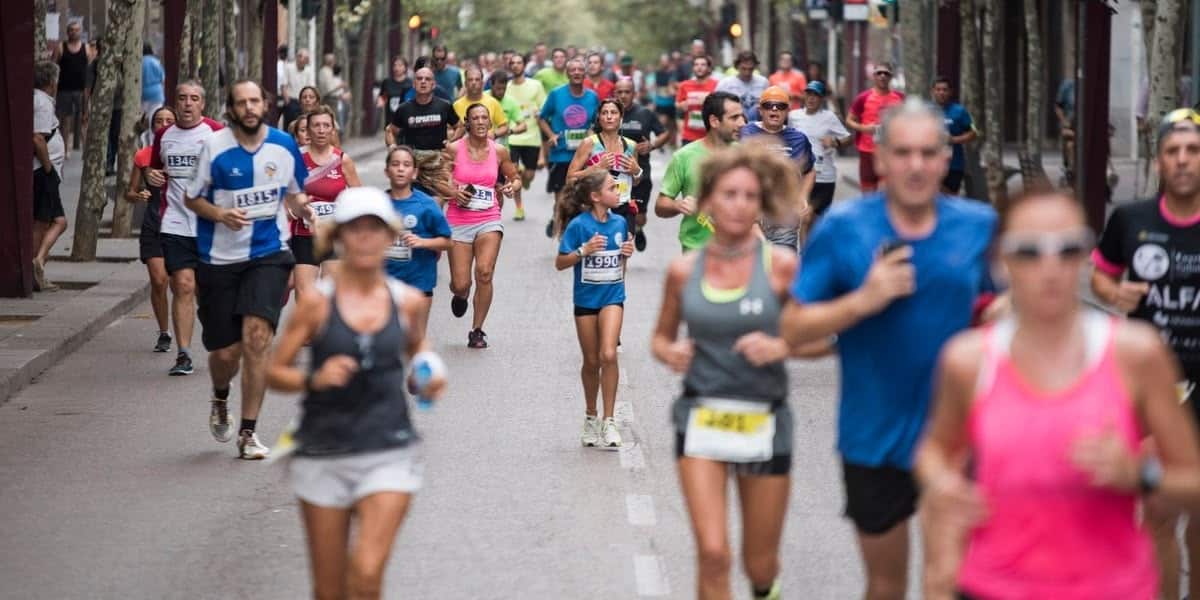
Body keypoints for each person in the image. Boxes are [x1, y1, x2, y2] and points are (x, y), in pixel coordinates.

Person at [917, 188, 1200, 600]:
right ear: (1002, 260)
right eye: (1030, 251)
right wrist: (941, 483)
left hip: (1111, 588)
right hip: (995, 586)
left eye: (1067, 249)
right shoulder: (969, 359)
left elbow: (1192, 481)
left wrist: (1140, 475)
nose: (1050, 267)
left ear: (1085, 256)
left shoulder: (1136, 353)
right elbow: (934, 451)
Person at [781, 99, 998, 600]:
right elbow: (791, 328)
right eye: (903, 153)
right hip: (872, 436)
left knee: (950, 580)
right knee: (886, 584)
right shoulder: (844, 229)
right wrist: (864, 299)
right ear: (879, 157)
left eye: (928, 152)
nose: (916, 165)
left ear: (946, 158)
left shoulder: (979, 227)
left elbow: (1005, 311)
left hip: (963, 435)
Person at [651, 144, 820, 600]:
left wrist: (783, 344)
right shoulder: (683, 271)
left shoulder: (782, 268)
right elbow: (660, 338)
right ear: (707, 201)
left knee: (759, 563)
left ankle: (767, 587)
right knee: (713, 553)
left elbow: (822, 338)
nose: (740, 204)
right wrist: (672, 354)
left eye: (750, 196)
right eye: (729, 194)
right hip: (701, 419)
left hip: (764, 421)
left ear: (761, 205)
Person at [265, 186, 446, 600]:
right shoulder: (314, 304)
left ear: (390, 236)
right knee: (329, 590)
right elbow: (273, 372)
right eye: (355, 229)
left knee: (365, 574)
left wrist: (428, 376)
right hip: (323, 452)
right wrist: (315, 379)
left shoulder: (409, 302)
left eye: (375, 229)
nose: (365, 238)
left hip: (388, 449)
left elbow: (420, 350)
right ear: (339, 237)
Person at [1091, 108, 1200, 600]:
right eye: (1173, 151)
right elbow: (1100, 272)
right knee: (1158, 512)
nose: (1183, 161)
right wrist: (1114, 295)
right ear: (1158, 160)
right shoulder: (1131, 219)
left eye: (1193, 151)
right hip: (1154, 391)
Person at [183, 79, 313, 459]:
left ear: (265, 104)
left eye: (255, 101)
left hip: (268, 253)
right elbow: (191, 199)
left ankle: (248, 432)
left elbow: (295, 191)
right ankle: (221, 396)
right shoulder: (214, 147)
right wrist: (219, 213)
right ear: (232, 109)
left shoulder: (284, 145)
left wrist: (306, 209)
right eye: (242, 102)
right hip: (219, 260)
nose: (250, 108)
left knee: (257, 337)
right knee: (226, 354)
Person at [556, 168, 635, 448]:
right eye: (613, 188)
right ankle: (591, 416)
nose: (618, 192)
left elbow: (621, 265)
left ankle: (609, 421)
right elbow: (560, 262)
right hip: (585, 300)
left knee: (608, 354)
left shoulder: (620, 223)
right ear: (596, 196)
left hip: (612, 296)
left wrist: (626, 255)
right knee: (591, 361)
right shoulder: (579, 226)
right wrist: (583, 251)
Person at [150, 80, 224, 377]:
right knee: (183, 284)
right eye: (182, 98)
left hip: (210, 224)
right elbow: (154, 168)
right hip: (175, 222)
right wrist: (150, 176)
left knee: (209, 291)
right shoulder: (164, 135)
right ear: (175, 102)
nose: (188, 104)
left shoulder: (217, 133)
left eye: (194, 98)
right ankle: (183, 354)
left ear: (202, 104)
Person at [444, 104, 519, 349]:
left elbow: (515, 178)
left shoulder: (499, 151)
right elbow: (439, 181)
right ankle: (460, 293)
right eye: (475, 118)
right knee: (461, 282)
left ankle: (477, 330)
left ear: (490, 122)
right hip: (458, 220)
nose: (480, 122)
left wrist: (511, 187)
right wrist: (454, 192)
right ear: (467, 122)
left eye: (484, 118)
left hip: (489, 218)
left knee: (485, 272)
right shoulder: (454, 149)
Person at [655, 91, 745, 252]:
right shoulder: (684, 157)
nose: (742, 123)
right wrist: (679, 205)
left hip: (737, 252)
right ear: (714, 121)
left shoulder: (744, 155)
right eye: (734, 118)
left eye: (742, 116)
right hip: (696, 251)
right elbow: (661, 205)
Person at [292, 106, 362, 301]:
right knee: (304, 296)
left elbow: (359, 198)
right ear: (308, 129)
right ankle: (308, 331)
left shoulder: (342, 160)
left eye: (326, 125)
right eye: (316, 126)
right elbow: (285, 195)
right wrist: (296, 209)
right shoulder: (296, 157)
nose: (321, 130)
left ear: (332, 129)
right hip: (305, 234)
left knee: (330, 296)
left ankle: (324, 331)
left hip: (334, 236)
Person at [384, 145, 453, 342]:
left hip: (419, 282)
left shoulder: (427, 205)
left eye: (406, 165)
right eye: (395, 164)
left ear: (414, 173)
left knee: (416, 340)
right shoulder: (378, 204)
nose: (400, 169)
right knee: (388, 339)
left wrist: (423, 242)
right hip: (385, 283)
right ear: (387, 171)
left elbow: (448, 242)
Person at [739, 86, 815, 250]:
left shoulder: (799, 139)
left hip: (784, 214)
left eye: (780, 106)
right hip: (749, 212)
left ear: (787, 110)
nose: (774, 109)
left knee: (783, 264)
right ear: (760, 110)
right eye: (768, 105)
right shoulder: (745, 133)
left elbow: (810, 170)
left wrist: (803, 196)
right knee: (753, 267)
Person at [128, 105, 178, 352]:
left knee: (182, 284)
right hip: (153, 224)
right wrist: (140, 194)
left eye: (170, 120)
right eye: (160, 120)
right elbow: (129, 192)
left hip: (181, 226)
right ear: (153, 126)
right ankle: (164, 332)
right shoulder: (144, 156)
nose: (165, 124)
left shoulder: (189, 153)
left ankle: (187, 327)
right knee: (159, 281)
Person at [538, 58, 601, 237]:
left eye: (580, 69)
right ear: (567, 74)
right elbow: (542, 117)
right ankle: (562, 236)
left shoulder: (592, 97)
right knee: (562, 198)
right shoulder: (556, 94)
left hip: (585, 156)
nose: (576, 73)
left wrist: (591, 132)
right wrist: (551, 135)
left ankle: (582, 233)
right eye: (572, 70)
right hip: (561, 155)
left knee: (586, 198)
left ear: (585, 73)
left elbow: (597, 122)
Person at [566, 98, 644, 235]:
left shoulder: (631, 146)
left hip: (623, 206)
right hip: (595, 207)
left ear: (621, 117)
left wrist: (636, 171)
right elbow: (570, 179)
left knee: (624, 251)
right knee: (599, 251)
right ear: (599, 117)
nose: (609, 117)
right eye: (604, 113)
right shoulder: (589, 143)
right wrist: (595, 168)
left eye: (613, 113)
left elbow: (636, 181)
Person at [615, 78, 668, 251]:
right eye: (620, 92)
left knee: (639, 217)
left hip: (641, 173)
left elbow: (664, 134)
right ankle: (621, 247)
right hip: (615, 174)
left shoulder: (645, 113)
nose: (623, 95)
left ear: (634, 94)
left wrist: (652, 145)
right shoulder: (608, 113)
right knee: (618, 215)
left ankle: (638, 229)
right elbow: (594, 134)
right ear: (615, 94)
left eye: (627, 92)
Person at [788, 81, 851, 217]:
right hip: (801, 176)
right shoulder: (793, 116)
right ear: (804, 96)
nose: (811, 98)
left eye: (816, 95)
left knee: (820, 219)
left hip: (824, 177)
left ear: (822, 99)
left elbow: (848, 138)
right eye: (809, 94)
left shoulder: (829, 117)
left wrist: (835, 142)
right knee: (803, 217)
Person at [32, 61, 68, 293]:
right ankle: (36, 263)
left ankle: (38, 265)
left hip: (43, 170)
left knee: (51, 221)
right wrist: (48, 169)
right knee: (50, 221)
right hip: (43, 171)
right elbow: (37, 138)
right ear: (52, 81)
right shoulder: (43, 103)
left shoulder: (37, 98)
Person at [847, 63, 905, 193]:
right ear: (874, 76)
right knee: (868, 191)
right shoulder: (863, 98)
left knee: (889, 192)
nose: (882, 76)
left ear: (891, 77)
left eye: (886, 73)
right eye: (879, 73)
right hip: (867, 150)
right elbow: (849, 120)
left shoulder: (900, 98)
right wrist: (864, 128)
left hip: (891, 151)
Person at [505, 53, 548, 214]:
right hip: (513, 137)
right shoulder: (506, 87)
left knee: (529, 175)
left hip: (532, 137)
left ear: (524, 65)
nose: (515, 65)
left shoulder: (535, 85)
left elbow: (544, 108)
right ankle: (519, 208)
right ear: (509, 66)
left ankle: (526, 180)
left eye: (518, 63)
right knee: (515, 173)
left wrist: (540, 112)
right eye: (512, 63)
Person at [386, 67, 462, 157]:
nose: (423, 81)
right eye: (419, 79)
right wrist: (392, 145)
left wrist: (451, 142)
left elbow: (460, 127)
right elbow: (390, 130)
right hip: (413, 161)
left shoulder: (445, 106)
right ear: (414, 84)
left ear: (433, 85)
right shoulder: (404, 108)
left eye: (427, 79)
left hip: (438, 160)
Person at [487, 70, 530, 219]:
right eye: (498, 88)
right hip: (482, 151)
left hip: (503, 151)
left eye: (504, 88)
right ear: (491, 85)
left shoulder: (510, 102)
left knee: (506, 183)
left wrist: (508, 131)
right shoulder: (483, 99)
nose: (501, 91)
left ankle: (507, 211)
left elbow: (523, 125)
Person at [930, 77, 977, 195]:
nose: (941, 93)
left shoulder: (960, 111)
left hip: (954, 164)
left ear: (950, 92)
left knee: (950, 198)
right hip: (930, 163)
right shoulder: (926, 110)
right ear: (933, 91)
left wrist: (954, 140)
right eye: (938, 89)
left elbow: (974, 132)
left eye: (945, 90)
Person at [54, 20, 89, 155]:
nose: (74, 32)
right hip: (64, 90)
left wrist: (89, 89)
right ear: (68, 32)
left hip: (81, 90)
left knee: (84, 119)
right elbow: (53, 68)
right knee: (65, 121)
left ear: (80, 32)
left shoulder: (86, 48)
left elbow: (90, 69)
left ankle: (85, 150)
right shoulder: (61, 47)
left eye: (77, 30)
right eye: (71, 30)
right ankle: (65, 149)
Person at [452, 66, 509, 138]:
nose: (474, 83)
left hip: (487, 147)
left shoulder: (493, 102)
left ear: (482, 83)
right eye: (470, 80)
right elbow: (449, 129)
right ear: (465, 83)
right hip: (462, 148)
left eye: (477, 80)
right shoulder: (456, 105)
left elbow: (504, 126)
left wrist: (494, 134)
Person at [676, 55, 719, 147]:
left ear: (709, 68)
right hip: (689, 135)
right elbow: (677, 104)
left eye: (703, 65)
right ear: (693, 68)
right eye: (696, 64)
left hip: (711, 135)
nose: (699, 67)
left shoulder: (717, 85)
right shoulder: (685, 85)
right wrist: (682, 105)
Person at [717, 51, 770, 120]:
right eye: (743, 68)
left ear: (755, 67)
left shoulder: (763, 82)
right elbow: (716, 105)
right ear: (737, 66)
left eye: (750, 69)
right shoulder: (725, 83)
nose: (747, 72)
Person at [377, 56, 413, 139]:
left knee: (404, 149)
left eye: (400, 65)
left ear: (405, 68)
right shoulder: (387, 82)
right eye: (395, 65)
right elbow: (382, 96)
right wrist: (380, 102)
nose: (397, 68)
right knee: (392, 149)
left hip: (406, 123)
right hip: (391, 122)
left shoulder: (410, 83)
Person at [282, 49, 316, 131]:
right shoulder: (289, 67)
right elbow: (284, 85)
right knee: (290, 126)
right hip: (291, 100)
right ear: (297, 58)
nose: (304, 60)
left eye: (306, 58)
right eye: (302, 58)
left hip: (304, 101)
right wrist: (287, 101)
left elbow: (311, 87)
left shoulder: (309, 70)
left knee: (303, 126)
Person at [653, 54, 679, 149]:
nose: (664, 63)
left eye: (666, 60)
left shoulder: (674, 72)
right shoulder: (658, 73)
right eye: (662, 61)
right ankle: (661, 141)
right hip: (661, 101)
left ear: (669, 61)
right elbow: (657, 86)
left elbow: (674, 85)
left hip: (672, 102)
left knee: (672, 124)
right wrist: (655, 101)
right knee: (662, 122)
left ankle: (673, 143)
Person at [141, 43, 165, 118]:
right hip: (157, 92)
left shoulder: (139, 62)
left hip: (143, 92)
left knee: (141, 117)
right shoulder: (156, 61)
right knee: (155, 116)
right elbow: (162, 78)